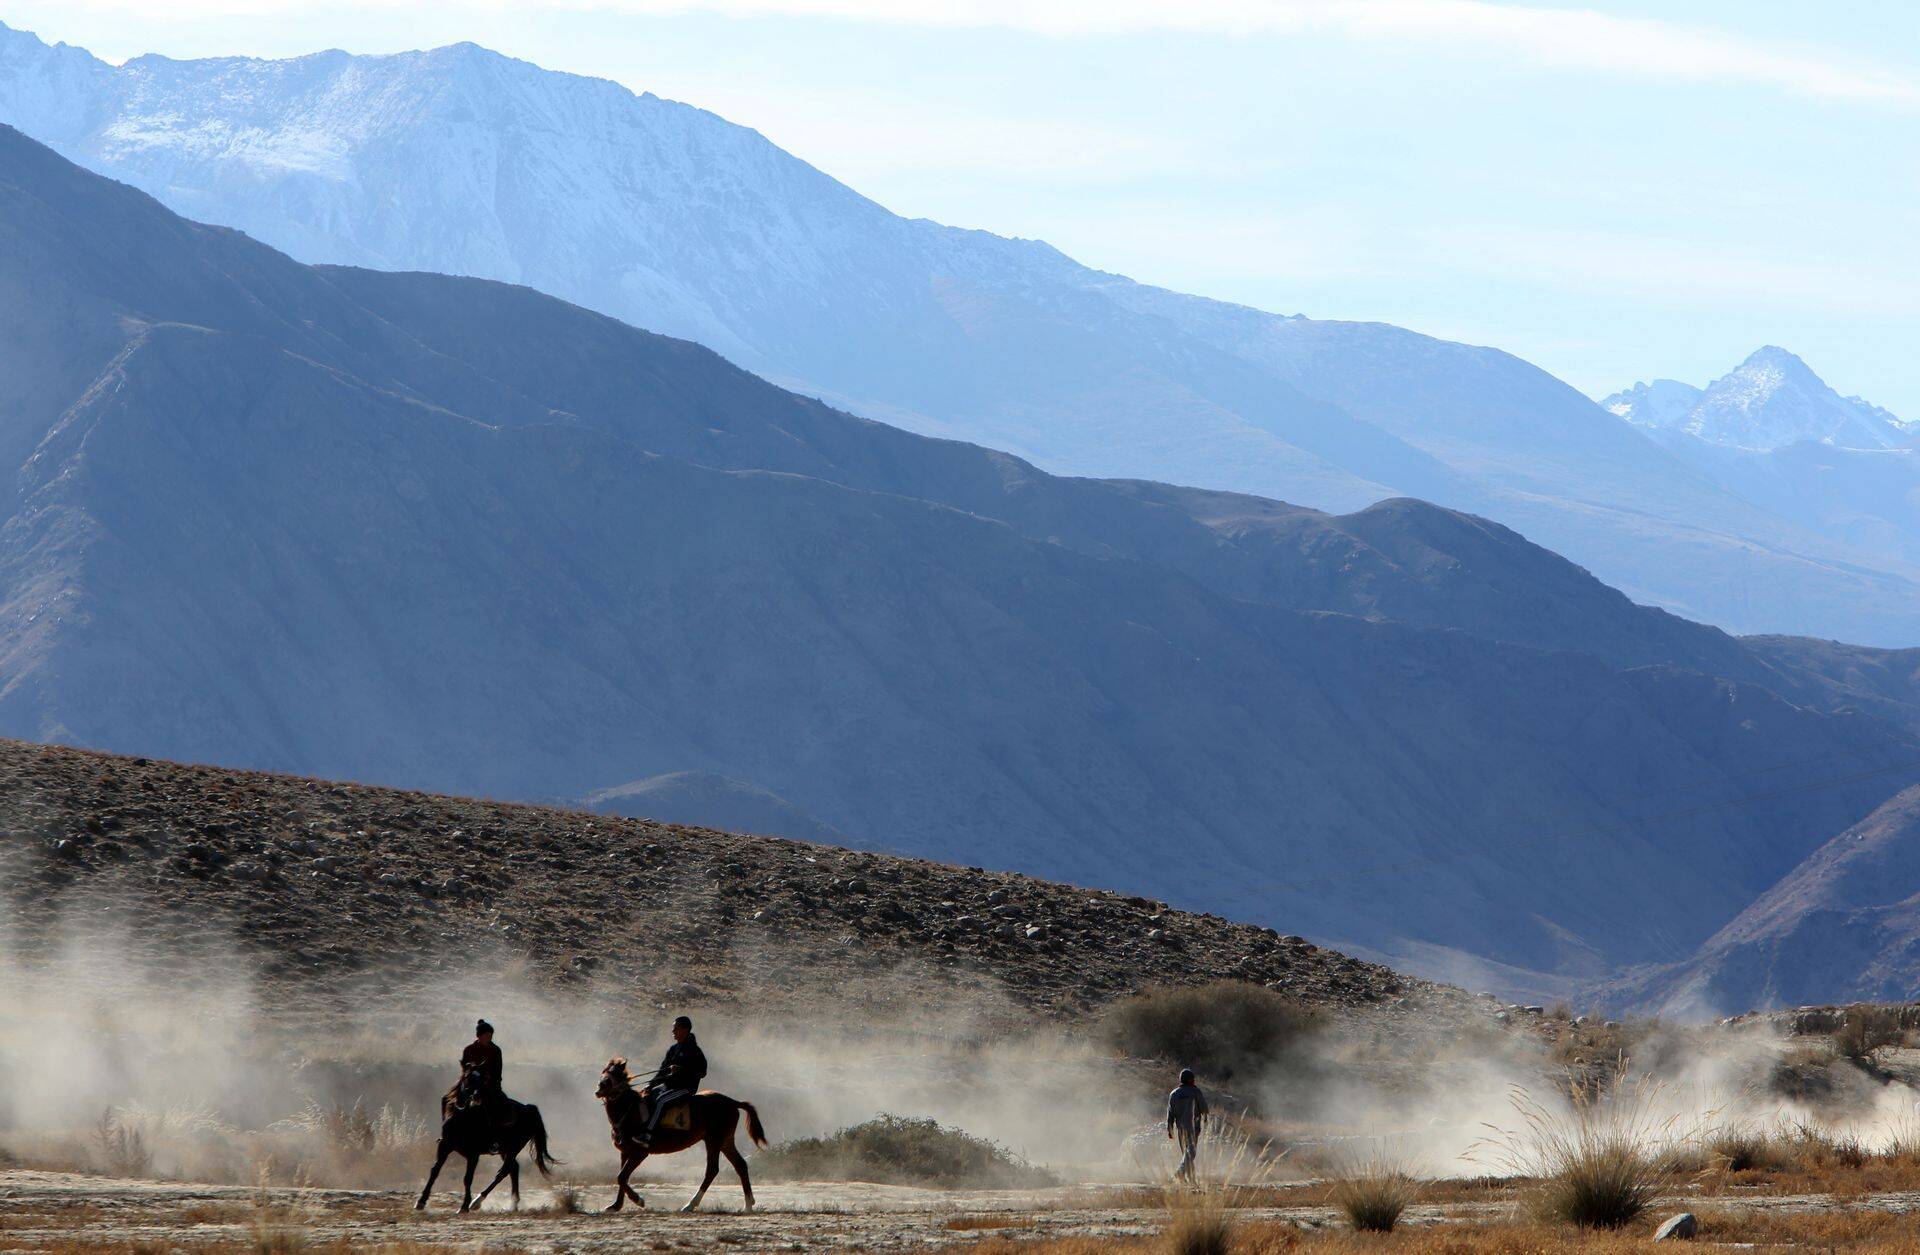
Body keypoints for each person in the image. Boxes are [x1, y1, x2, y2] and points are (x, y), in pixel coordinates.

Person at [637, 1015, 708, 1147]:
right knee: (645, 1097)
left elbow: (702, 1072)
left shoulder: (695, 1051)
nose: (673, 1032)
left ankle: (647, 1134)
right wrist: (650, 1085)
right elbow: (662, 1071)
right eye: (673, 1029)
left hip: (685, 1088)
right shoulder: (673, 1050)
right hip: (669, 1086)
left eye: (676, 1029)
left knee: (661, 1101)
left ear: (685, 1030)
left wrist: (682, 1070)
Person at [459, 1019, 507, 1128]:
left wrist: (487, 1082)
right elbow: (464, 1070)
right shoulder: (468, 1049)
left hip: (489, 1085)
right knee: (448, 1099)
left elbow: (497, 1073)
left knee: (498, 1106)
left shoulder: (495, 1050)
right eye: (487, 1035)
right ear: (479, 1036)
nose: (489, 1037)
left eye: (490, 1035)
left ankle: (496, 1134)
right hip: (469, 1083)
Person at [1166, 1067, 1209, 1181]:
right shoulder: (1195, 1091)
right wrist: (1204, 1118)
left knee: (1186, 1154)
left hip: (1180, 1128)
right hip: (1194, 1128)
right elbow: (1204, 1109)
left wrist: (1169, 1128)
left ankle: (1190, 1178)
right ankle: (1180, 1173)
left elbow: (1170, 1113)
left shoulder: (1173, 1094)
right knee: (1191, 1153)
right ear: (1190, 1080)